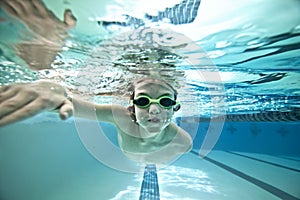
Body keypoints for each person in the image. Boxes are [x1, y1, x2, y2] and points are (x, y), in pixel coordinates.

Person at [0, 0, 192, 164]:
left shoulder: (183, 143)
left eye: (166, 101)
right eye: (142, 101)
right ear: (131, 107)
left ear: (176, 107)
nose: (154, 110)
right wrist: (51, 86)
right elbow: (71, 104)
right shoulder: (121, 117)